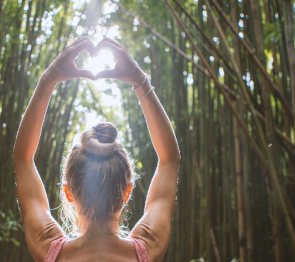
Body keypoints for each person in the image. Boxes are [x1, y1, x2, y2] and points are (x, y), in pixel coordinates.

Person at [13, 37, 180, 262]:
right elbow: (169, 159)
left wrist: (49, 78)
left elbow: (23, 159)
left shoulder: (51, 251)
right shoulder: (146, 250)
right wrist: (140, 81)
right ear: (127, 192)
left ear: (68, 192)